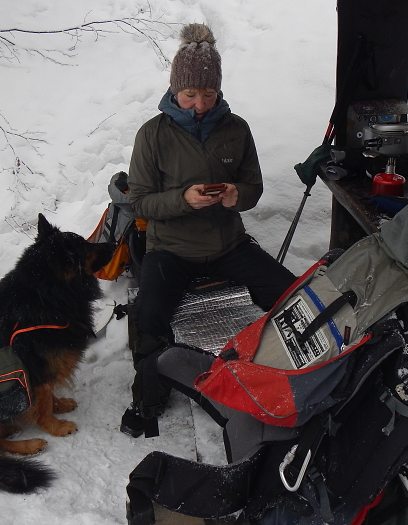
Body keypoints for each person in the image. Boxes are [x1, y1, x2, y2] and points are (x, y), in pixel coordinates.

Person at [121, 23, 297, 437]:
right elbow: (140, 202)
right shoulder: (153, 134)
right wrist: (184, 200)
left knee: (289, 294)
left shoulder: (236, 129)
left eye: (208, 94)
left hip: (228, 244)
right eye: (190, 94)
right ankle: (148, 398)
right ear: (174, 91)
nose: (199, 104)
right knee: (149, 316)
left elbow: (253, 187)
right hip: (171, 250)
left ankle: (293, 379)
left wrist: (239, 195)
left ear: (218, 91)